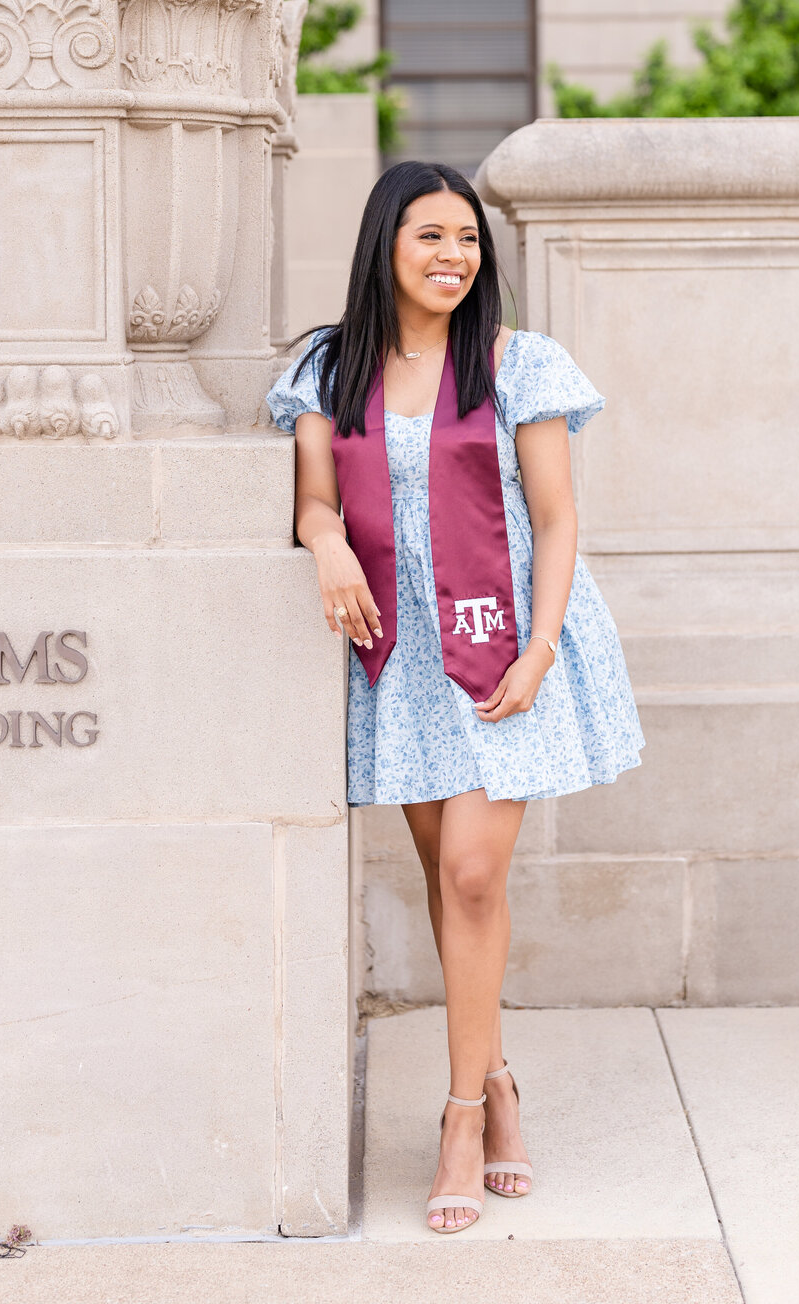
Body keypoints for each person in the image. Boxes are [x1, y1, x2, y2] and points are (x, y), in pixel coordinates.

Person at [267, 160, 643, 1235]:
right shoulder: (330, 370)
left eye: (468, 240)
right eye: (430, 236)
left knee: (475, 874)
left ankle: (463, 1115)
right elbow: (311, 499)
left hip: (503, 639)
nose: (452, 257)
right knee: (446, 880)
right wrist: (328, 543)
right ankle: (503, 1079)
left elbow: (560, 520)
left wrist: (540, 647)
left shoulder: (518, 366)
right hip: (401, 651)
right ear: (385, 244)